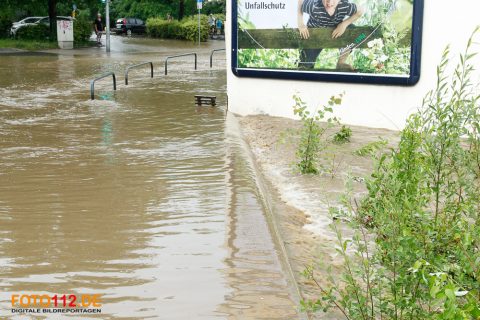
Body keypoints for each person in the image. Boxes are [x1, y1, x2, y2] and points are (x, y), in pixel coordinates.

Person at [297, 0, 363, 71]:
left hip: (336, 31)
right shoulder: (314, 6)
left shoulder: (344, 6)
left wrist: (344, 24)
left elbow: (360, 11)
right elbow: (300, 3)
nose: (330, 3)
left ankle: (341, 62)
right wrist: (300, 24)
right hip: (315, 35)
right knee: (304, 66)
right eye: (327, 0)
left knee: (359, 34)